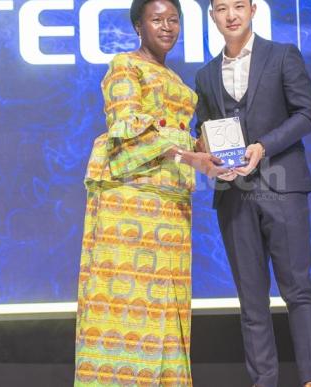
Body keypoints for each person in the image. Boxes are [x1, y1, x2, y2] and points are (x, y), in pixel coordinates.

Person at [74, 0, 228, 386]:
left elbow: (182, 142)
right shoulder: (124, 65)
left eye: (173, 19)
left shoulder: (176, 80)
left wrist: (210, 151)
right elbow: (128, 129)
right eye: (156, 19)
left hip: (170, 205)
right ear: (138, 26)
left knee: (165, 302)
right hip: (130, 203)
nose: (167, 26)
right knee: (125, 306)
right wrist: (193, 156)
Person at [194, 1, 311, 386]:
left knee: (297, 289)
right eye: (221, 8)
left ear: (252, 10)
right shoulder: (205, 76)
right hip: (234, 195)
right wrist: (202, 152)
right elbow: (202, 130)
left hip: (283, 189)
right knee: (251, 301)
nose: (230, 15)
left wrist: (263, 146)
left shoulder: (283, 56)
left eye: (238, 6)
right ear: (212, 17)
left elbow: (306, 114)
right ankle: (264, 381)